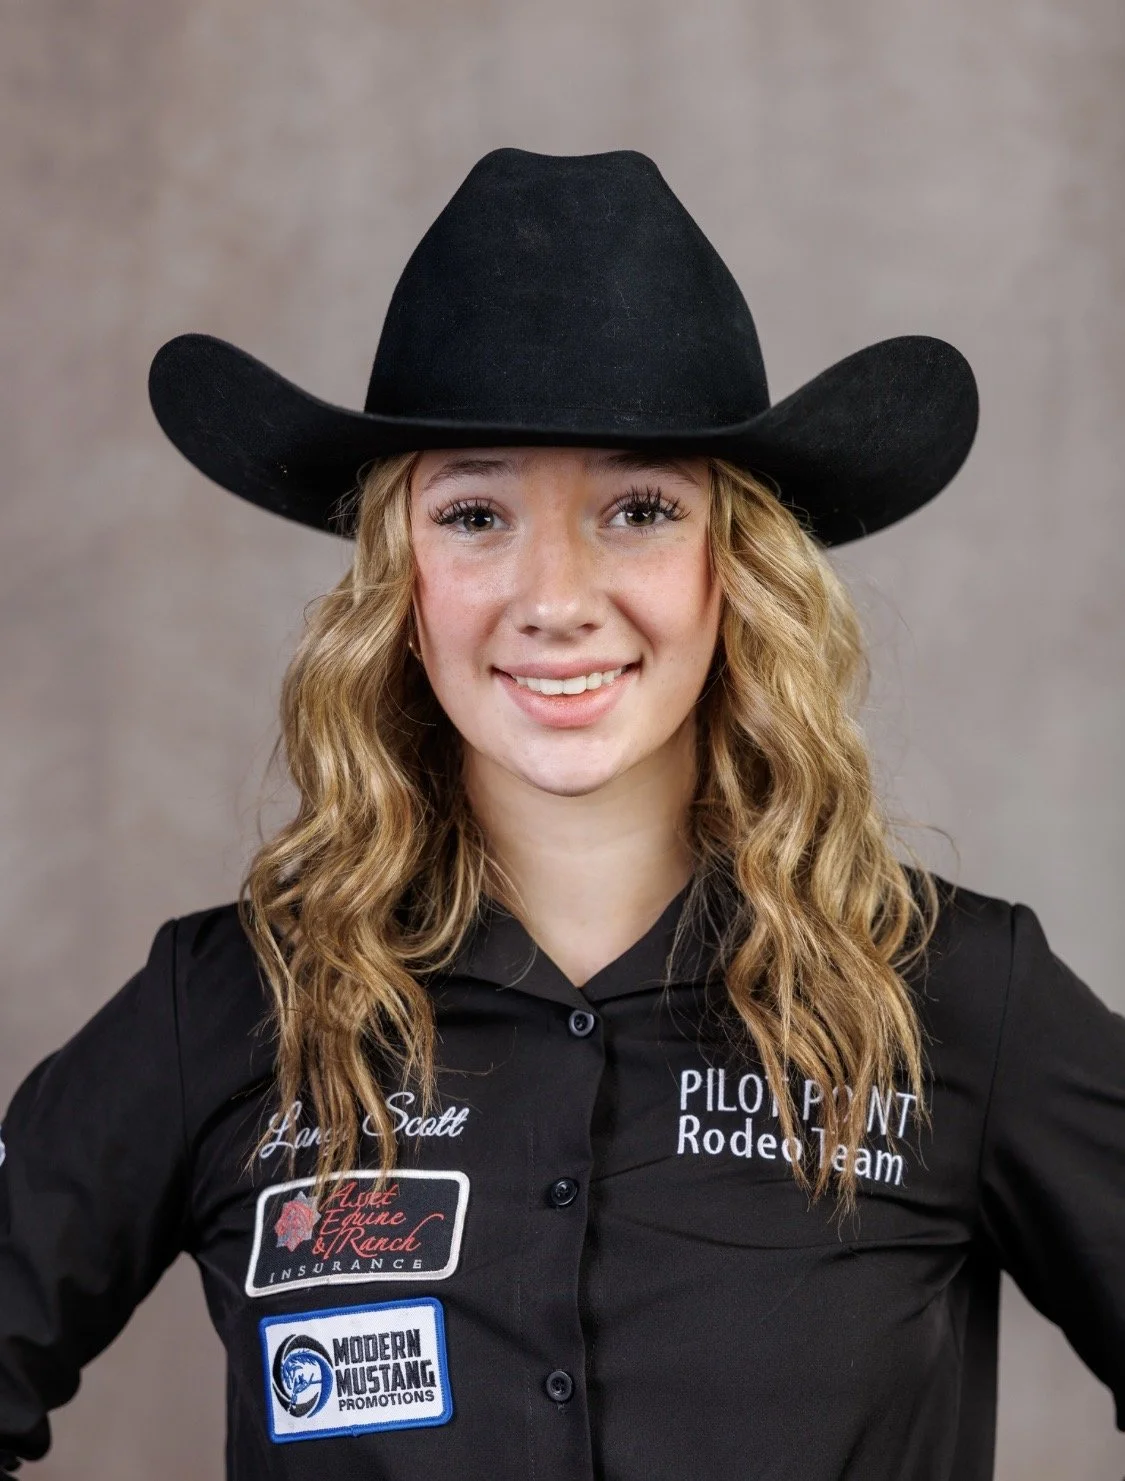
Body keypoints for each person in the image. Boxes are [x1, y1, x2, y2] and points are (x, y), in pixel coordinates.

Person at [0, 147, 1122, 1481]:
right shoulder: (230, 1008)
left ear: (738, 570)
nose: (553, 595)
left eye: (638, 509)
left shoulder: (954, 1000)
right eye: (474, 514)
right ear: (398, 582)